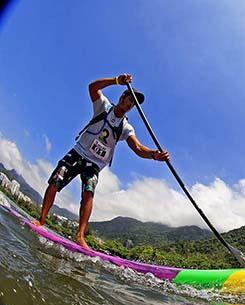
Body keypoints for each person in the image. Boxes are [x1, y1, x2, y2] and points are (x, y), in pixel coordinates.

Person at [33, 73, 169, 249]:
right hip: (78, 152)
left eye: (133, 104)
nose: (129, 105)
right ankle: (42, 220)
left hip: (95, 164)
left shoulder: (126, 127)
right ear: (122, 97)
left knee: (88, 193)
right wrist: (116, 81)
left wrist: (154, 155)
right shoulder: (103, 106)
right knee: (55, 182)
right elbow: (92, 87)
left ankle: (80, 236)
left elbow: (137, 148)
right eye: (129, 100)